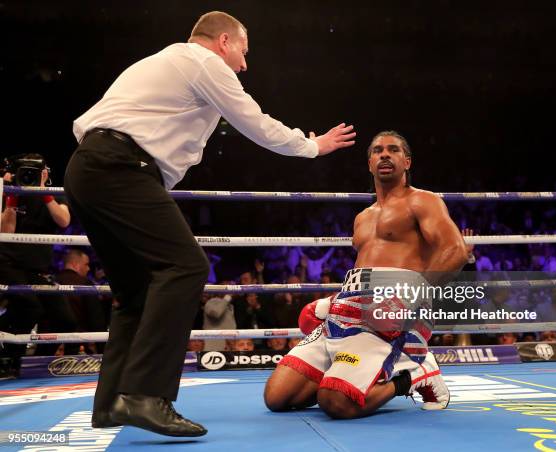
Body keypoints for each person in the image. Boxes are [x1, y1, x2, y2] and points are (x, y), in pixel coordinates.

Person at [63, 11, 355, 437]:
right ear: (223, 41)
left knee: (135, 292)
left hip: (90, 168)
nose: (244, 64)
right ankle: (146, 396)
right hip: (119, 169)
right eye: (243, 51)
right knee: (187, 266)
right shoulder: (205, 64)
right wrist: (311, 145)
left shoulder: (164, 63)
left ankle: (110, 404)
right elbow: (255, 123)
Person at [264, 130, 468, 419]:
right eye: (377, 151)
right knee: (277, 397)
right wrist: (334, 300)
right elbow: (365, 272)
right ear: (370, 164)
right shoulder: (363, 217)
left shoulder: (422, 201)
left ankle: (414, 375)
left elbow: (455, 251)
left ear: (407, 162)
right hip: (348, 312)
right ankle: (352, 373)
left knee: (335, 402)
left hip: (395, 313)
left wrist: (410, 297)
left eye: (393, 149)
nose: (384, 154)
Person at [0, 155, 74, 362]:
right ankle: (9, 359)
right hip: (9, 265)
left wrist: (44, 193)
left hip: (37, 270)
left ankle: (41, 362)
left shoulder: (54, 194)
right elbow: (7, 231)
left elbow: (64, 220)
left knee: (65, 320)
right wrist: (12, 197)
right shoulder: (7, 191)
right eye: (26, 171)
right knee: (30, 306)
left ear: (46, 173)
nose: (29, 175)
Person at [55, 249, 107, 354]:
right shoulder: (84, 283)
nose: (88, 269)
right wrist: (102, 348)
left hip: (52, 344)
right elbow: (96, 319)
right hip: (79, 344)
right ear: (75, 264)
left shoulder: (52, 281)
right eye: (86, 264)